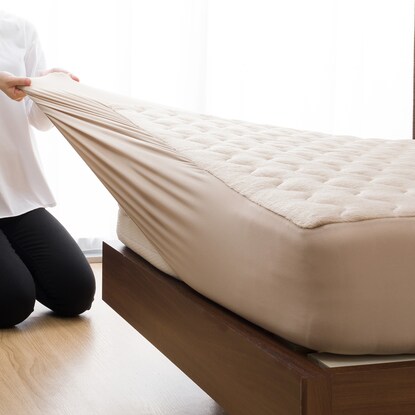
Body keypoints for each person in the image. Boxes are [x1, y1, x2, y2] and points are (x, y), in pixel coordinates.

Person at [0, 11, 96, 328]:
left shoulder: (19, 29)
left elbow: (38, 120)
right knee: (11, 303)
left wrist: (52, 90)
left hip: (15, 194)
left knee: (76, 293)